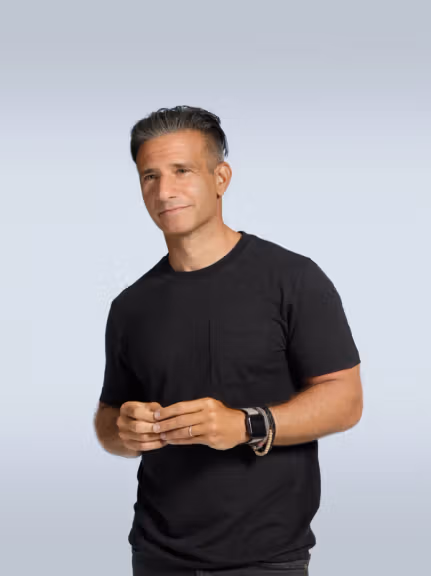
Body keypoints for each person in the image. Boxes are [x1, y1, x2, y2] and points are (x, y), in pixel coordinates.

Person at [94, 105, 363, 576]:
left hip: (266, 559)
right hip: (156, 556)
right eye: (150, 176)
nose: (164, 190)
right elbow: (107, 418)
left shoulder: (292, 279)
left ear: (220, 178)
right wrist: (125, 429)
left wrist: (245, 425)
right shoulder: (130, 306)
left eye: (182, 171)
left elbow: (346, 400)